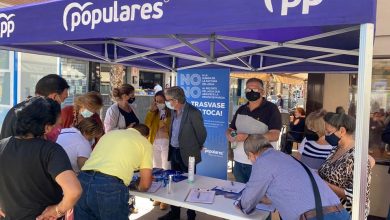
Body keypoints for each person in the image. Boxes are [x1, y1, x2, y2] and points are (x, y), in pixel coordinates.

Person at [0, 97, 82, 220]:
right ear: (47, 127)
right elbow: (74, 191)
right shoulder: (51, 151)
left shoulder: (2, 145)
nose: (59, 129)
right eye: (58, 125)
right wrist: (57, 211)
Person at [237, 134, 349, 220]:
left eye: (249, 158)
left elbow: (247, 202)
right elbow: (291, 190)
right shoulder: (286, 157)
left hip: (315, 217)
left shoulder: (263, 161)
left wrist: (241, 203)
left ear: (251, 154)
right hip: (340, 213)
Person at [75, 128, 153, 220]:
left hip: (83, 180)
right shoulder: (144, 142)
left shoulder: (109, 134)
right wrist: (138, 186)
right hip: (109, 185)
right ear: (146, 136)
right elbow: (145, 184)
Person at [158, 86, 207, 220]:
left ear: (176, 100)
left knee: (190, 185)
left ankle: (191, 215)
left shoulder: (193, 112)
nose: (166, 102)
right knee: (175, 183)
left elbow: (202, 134)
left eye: (168, 100)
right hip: (174, 151)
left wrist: (194, 147)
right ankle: (175, 214)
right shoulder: (174, 111)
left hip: (188, 154)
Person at [318, 113, 374, 218]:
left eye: (329, 132)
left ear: (342, 131)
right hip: (329, 211)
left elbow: (358, 195)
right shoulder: (336, 148)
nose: (325, 135)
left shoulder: (358, 157)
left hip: (346, 214)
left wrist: (324, 184)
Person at [226, 78, 281, 183]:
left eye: (255, 89)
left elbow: (275, 135)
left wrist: (249, 137)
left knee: (259, 198)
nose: (251, 92)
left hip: (259, 163)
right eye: (248, 89)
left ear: (262, 92)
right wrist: (231, 135)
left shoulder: (271, 109)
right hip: (238, 162)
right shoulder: (241, 109)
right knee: (241, 195)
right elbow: (231, 129)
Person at [0, 74, 70, 140]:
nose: (61, 105)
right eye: (63, 99)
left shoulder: (20, 109)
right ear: (54, 97)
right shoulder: (36, 116)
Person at [145, 91, 171, 210]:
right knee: (157, 168)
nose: (158, 103)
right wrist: (151, 111)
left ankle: (165, 198)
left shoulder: (171, 112)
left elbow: (174, 127)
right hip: (154, 142)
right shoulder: (153, 112)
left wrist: (166, 124)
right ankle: (158, 196)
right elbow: (146, 125)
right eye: (156, 101)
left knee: (166, 169)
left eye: (161, 101)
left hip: (166, 142)